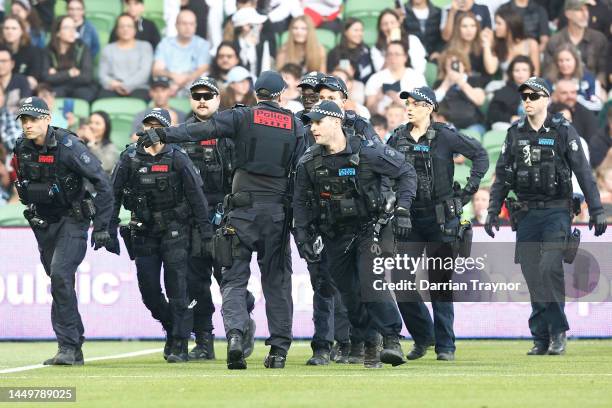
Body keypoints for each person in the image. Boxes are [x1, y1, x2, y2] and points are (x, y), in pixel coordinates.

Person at [138, 70, 306, 370]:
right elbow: (300, 173)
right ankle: (278, 351)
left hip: (240, 213)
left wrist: (162, 134)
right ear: (281, 95)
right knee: (277, 283)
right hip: (277, 215)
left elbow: (201, 131)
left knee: (234, 279)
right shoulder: (294, 125)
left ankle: (235, 338)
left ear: (257, 95)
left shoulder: (242, 117)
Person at [485, 77, 607, 355]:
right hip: (526, 213)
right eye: (524, 96)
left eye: (533, 96)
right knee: (532, 275)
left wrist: (596, 208)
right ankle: (541, 336)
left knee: (548, 267)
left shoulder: (563, 130)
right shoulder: (514, 132)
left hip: (557, 211)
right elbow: (503, 175)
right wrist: (493, 210)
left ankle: (558, 331)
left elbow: (583, 172)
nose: (527, 100)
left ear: (546, 99)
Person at [293, 100, 417, 368]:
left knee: (371, 281)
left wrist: (403, 207)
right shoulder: (309, 162)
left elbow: (406, 171)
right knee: (349, 295)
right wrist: (302, 236)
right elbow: (301, 202)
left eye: (318, 122)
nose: (312, 128)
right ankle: (369, 342)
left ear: (336, 122)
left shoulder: (369, 153)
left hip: (369, 230)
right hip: (334, 236)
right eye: (310, 123)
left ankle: (392, 338)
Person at [387, 86, 488, 361]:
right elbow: (383, 169)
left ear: (429, 107)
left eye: (416, 103)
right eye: (407, 103)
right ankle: (424, 336)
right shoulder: (397, 137)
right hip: (409, 219)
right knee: (401, 280)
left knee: (440, 283)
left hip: (441, 219)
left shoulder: (445, 135)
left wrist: (468, 190)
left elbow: (480, 155)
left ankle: (446, 346)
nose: (409, 107)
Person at [11, 96, 114, 365]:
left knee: (60, 275)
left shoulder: (69, 147)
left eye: (33, 119)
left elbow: (103, 182)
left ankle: (68, 346)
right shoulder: (21, 147)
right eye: (24, 120)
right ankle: (71, 346)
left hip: (73, 219)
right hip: (45, 223)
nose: (27, 125)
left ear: (47, 119)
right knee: (59, 282)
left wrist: (102, 226)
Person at [109, 107, 211, 363]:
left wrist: (206, 233)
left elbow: (197, 198)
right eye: (148, 125)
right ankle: (170, 325)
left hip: (175, 230)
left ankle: (179, 342)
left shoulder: (178, 158)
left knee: (178, 288)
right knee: (150, 291)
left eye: (157, 126)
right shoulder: (129, 158)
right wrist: (106, 227)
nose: (151, 130)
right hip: (143, 232)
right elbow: (114, 195)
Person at [180, 76, 256, 361]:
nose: (202, 100)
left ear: (218, 99)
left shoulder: (233, 131)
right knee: (194, 284)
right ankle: (203, 342)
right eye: (196, 95)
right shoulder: (182, 132)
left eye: (208, 95)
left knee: (229, 280)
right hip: (190, 221)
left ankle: (241, 322)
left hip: (227, 218)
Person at [543, 0, 609, 88]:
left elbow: (603, 71)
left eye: (586, 10)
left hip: (593, 89)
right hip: (562, 89)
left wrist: (597, 87)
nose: (585, 14)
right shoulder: (555, 41)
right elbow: (549, 73)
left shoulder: (599, 39)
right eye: (580, 10)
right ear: (568, 13)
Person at [152, 9, 210, 97]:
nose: (188, 27)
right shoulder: (165, 44)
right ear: (176, 25)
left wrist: (180, 82)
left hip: (192, 84)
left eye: (191, 24)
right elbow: (156, 70)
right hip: (169, 84)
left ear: (195, 26)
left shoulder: (202, 44)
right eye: (184, 23)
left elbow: (202, 69)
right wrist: (173, 75)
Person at [41, 16, 97, 102]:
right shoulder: (48, 50)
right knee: (52, 95)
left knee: (84, 94)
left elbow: (87, 77)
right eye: (67, 28)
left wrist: (58, 75)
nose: (72, 31)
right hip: (58, 88)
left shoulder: (82, 47)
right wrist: (69, 73)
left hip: (80, 87)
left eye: (73, 28)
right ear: (57, 32)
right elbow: (46, 77)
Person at [98, 13, 153, 100]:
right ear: (116, 30)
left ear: (135, 29)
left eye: (129, 26)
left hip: (138, 87)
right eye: (121, 26)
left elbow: (144, 73)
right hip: (113, 87)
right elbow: (102, 74)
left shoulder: (145, 46)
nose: (125, 29)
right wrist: (113, 84)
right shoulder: (108, 49)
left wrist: (125, 85)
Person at [433, 49, 488, 135]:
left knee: (470, 136)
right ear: (445, 67)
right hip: (449, 124)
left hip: (473, 124)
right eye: (451, 64)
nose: (455, 67)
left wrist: (461, 82)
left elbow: (480, 100)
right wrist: (446, 84)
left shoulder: (473, 80)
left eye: (457, 63)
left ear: (464, 65)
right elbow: (431, 104)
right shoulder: (439, 84)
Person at [316, 74, 382, 145]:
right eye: (322, 98)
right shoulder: (311, 123)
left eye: (331, 98)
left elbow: (379, 150)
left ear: (343, 102)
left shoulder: (359, 124)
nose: (325, 102)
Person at [365, 41, 427, 115]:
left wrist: (398, 100)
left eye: (397, 54)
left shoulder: (416, 77)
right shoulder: (376, 78)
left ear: (405, 57)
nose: (393, 57)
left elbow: (425, 107)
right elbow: (369, 111)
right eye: (390, 54)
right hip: (382, 121)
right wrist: (378, 98)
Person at [545, 43, 606, 112]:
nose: (564, 64)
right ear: (556, 63)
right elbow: (541, 106)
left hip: (583, 118)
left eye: (568, 60)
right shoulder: (549, 81)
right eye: (561, 60)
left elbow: (598, 106)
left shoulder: (589, 79)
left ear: (576, 61)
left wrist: (577, 99)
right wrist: (553, 99)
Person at [371, 9, 428, 75]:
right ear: (380, 27)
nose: (389, 27)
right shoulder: (376, 49)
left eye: (392, 23)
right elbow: (380, 74)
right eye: (385, 24)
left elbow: (420, 67)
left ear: (398, 23)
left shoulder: (413, 40)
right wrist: (389, 48)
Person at [491, 4, 540, 76]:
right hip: (506, 85)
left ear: (510, 24)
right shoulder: (497, 43)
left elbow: (536, 74)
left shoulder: (531, 44)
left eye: (499, 23)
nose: (496, 27)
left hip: (527, 85)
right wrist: (487, 45)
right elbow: (491, 70)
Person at [444, 11, 497, 78]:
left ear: (477, 28)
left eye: (473, 26)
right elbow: (454, 75)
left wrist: (486, 46)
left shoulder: (485, 46)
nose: (469, 30)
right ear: (458, 29)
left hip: (483, 86)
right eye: (464, 26)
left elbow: (491, 70)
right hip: (460, 84)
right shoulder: (452, 49)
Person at [487, 55, 535, 130]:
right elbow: (492, 113)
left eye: (524, 70)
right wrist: (510, 118)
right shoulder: (503, 91)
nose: (520, 73)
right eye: (517, 70)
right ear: (511, 73)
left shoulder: (539, 91)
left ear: (530, 72)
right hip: (508, 125)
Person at [327, 18, 376, 84]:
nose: (360, 33)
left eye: (361, 30)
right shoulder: (336, 52)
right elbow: (330, 74)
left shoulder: (365, 49)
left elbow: (372, 71)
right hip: (344, 86)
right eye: (356, 30)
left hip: (368, 85)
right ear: (345, 32)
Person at [230, 7, 275, 78]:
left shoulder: (263, 43)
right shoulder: (232, 45)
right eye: (256, 24)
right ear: (245, 27)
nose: (261, 26)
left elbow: (265, 68)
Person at [551, 78, 599, 144]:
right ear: (555, 96)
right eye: (564, 93)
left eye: (573, 92)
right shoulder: (548, 113)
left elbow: (592, 143)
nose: (569, 96)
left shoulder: (587, 115)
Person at [1, 15, 42, 89]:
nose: (9, 31)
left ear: (21, 31)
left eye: (14, 28)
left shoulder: (32, 51)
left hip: (23, 90)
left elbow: (33, 78)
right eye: (6, 28)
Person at [0, 45, 32, 114]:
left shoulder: (21, 80)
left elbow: (26, 107)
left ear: (12, 64)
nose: (0, 65)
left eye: (4, 61)